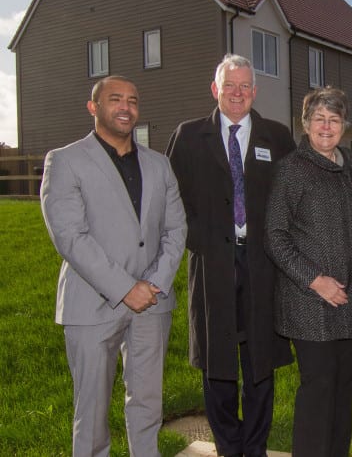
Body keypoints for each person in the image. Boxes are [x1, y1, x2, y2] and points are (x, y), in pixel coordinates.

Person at [40, 75, 187, 456]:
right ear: (94, 107)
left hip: (152, 304)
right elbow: (70, 236)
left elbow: (175, 229)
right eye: (115, 99)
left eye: (133, 101)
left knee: (148, 404)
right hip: (91, 304)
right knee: (90, 412)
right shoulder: (66, 161)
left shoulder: (160, 165)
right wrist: (125, 288)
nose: (126, 107)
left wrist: (153, 283)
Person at [166, 54, 296, 457]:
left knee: (260, 363)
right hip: (212, 265)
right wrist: (201, 240)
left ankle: (254, 447)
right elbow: (172, 201)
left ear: (254, 91)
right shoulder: (188, 136)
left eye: (244, 87)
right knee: (217, 362)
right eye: (229, 86)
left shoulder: (277, 137)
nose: (237, 94)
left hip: (263, 265)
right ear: (215, 89)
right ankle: (228, 446)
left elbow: (292, 200)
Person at [265, 87, 352, 456]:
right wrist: (316, 280)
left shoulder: (349, 164)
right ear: (305, 124)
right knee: (318, 392)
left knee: (343, 392)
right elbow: (275, 235)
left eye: (334, 120)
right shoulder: (291, 169)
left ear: (344, 126)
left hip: (348, 297)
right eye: (320, 119)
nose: (327, 127)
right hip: (310, 303)